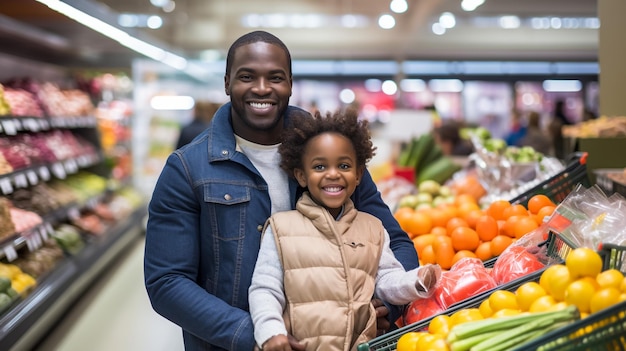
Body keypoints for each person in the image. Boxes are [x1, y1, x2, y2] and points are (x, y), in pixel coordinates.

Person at [143, 30, 419, 351]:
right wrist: (260, 335)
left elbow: (393, 241)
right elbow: (167, 282)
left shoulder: (328, 154)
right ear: (227, 83)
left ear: (290, 84)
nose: (262, 88)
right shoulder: (188, 168)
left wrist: (389, 302)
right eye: (247, 76)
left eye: (275, 77)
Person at [249, 110, 440, 351]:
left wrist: (416, 281)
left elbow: (386, 279)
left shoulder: (373, 228)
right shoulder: (280, 228)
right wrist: (270, 333)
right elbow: (265, 289)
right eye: (319, 166)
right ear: (301, 176)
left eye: (343, 165)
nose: (333, 174)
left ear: (359, 174)